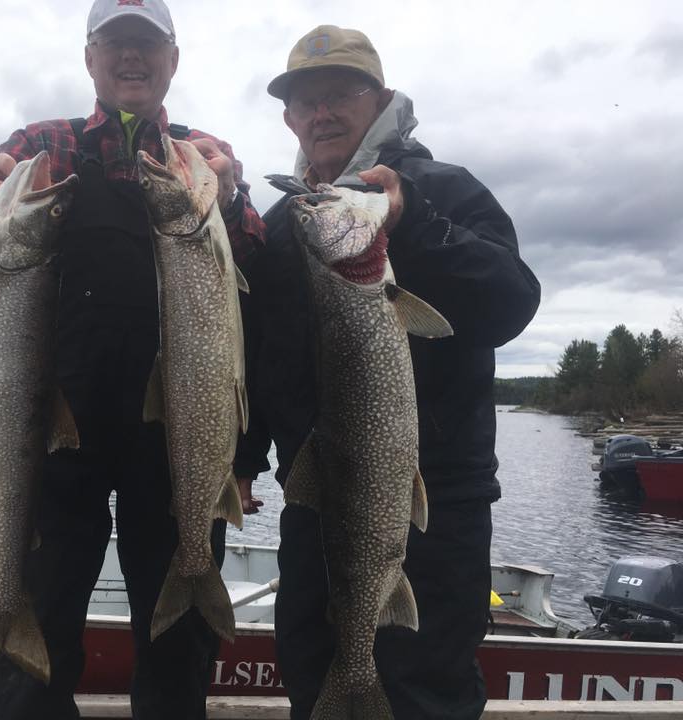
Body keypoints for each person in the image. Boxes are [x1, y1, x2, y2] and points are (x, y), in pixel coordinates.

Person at [0, 1, 265, 718]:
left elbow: (256, 266)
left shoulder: (200, 156)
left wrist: (233, 197)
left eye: (147, 43)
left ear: (173, 60)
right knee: (38, 621)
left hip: (175, 435)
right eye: (115, 43)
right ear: (90, 58)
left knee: (176, 648)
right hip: (48, 435)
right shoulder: (42, 145)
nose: (131, 57)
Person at [233, 25, 541, 719]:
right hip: (315, 498)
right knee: (315, 672)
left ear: (382, 99)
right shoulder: (286, 224)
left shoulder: (444, 192)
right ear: (289, 119)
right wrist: (245, 457)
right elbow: (258, 353)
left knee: (423, 691)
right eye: (306, 101)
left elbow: (512, 301)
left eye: (341, 93)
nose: (323, 112)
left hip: (437, 503)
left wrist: (416, 224)